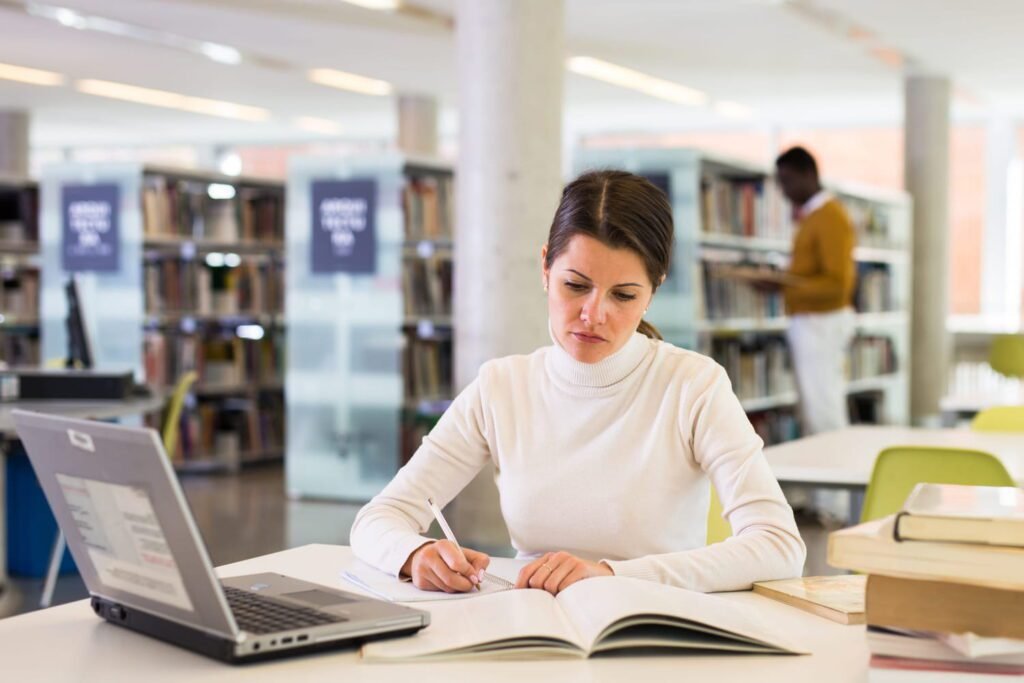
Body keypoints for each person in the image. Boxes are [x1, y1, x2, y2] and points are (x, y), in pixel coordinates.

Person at [350, 170, 806, 597]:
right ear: (546, 267)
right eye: (575, 285)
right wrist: (414, 554)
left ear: (653, 291)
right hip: (531, 630)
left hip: (652, 628)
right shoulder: (502, 386)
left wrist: (610, 575)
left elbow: (779, 546)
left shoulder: (693, 385)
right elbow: (379, 518)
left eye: (624, 295)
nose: (594, 314)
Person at [774, 146, 857, 435]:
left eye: (787, 180)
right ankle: (826, 478)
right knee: (814, 407)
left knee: (823, 408)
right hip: (811, 319)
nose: (784, 190)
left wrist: (785, 288)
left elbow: (837, 285)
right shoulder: (812, 216)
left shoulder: (830, 216)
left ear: (808, 174)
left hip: (821, 320)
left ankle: (834, 478)